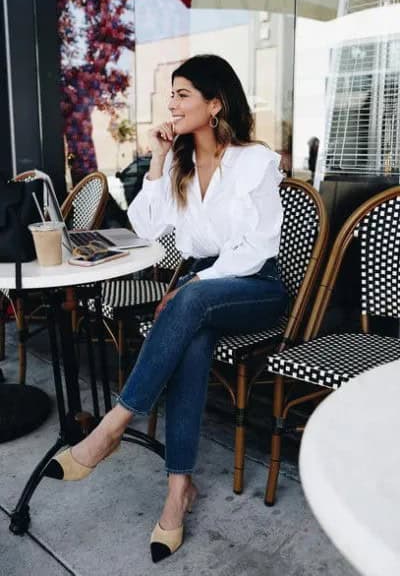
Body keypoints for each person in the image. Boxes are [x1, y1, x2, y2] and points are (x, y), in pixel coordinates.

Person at [44, 54, 288, 562]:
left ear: (215, 104)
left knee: (190, 299)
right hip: (205, 291)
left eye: (183, 94)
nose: (172, 105)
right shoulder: (179, 163)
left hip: (257, 286)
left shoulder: (256, 162)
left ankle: (112, 427)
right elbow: (146, 228)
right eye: (171, 94)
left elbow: (259, 246)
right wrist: (156, 161)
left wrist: (194, 284)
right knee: (192, 337)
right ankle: (179, 491)